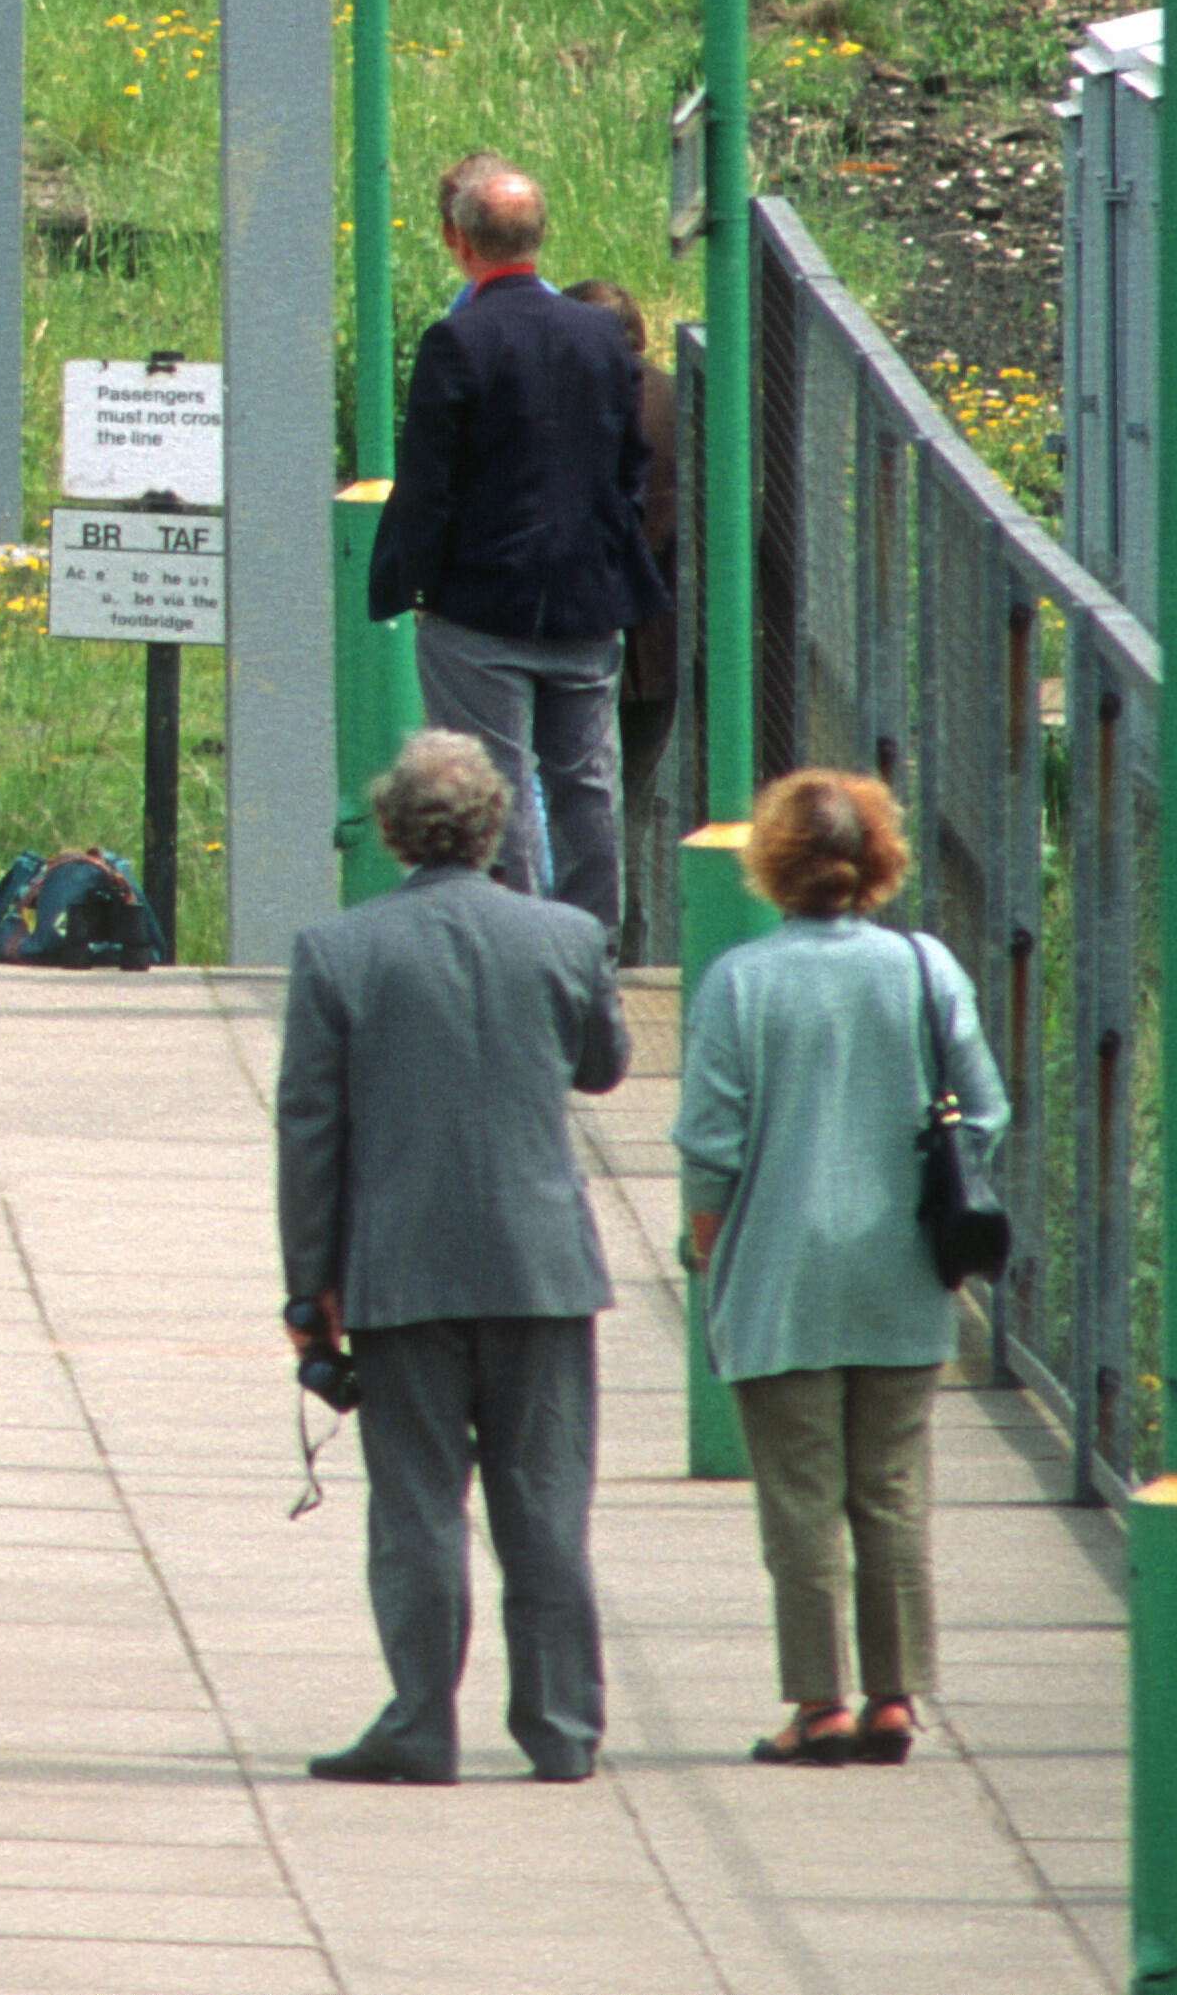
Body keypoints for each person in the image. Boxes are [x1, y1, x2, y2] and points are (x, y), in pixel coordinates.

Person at [277, 728, 635, 1786]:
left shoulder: (337, 951)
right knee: (545, 1504)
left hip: (401, 1272)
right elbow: (606, 1066)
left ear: (389, 829)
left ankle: (420, 1725)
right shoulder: (564, 937)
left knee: (419, 1507)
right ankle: (562, 1728)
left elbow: (309, 1132)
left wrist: (309, 1285)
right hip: (539, 1268)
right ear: (497, 828)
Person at [674, 768, 1009, 1769]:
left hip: (778, 1279)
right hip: (902, 1271)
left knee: (801, 1498)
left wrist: (706, 1252)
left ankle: (818, 1704)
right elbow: (982, 1111)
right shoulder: (923, 968)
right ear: (876, 861)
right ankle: (896, 1697)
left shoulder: (739, 981)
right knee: (893, 1490)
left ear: (771, 863)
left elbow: (710, 1143)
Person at [367, 159, 665, 939]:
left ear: (455, 239)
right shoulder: (600, 333)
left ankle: (517, 948)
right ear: (539, 237)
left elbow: (428, 483)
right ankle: (588, 955)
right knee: (588, 787)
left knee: (497, 787)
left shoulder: (455, 341)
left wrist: (422, 585)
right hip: (587, 604)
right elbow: (628, 461)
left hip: (479, 606)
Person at [561, 279, 683, 841]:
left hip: (572, 638)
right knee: (627, 803)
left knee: (572, 794)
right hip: (657, 648)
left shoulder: (562, 403)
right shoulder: (679, 400)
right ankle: (626, 916)